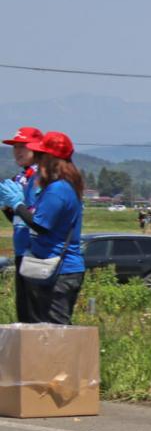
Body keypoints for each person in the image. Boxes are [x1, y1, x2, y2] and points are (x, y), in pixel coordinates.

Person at [0, 132, 85, 324]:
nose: (38, 161)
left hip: (59, 269)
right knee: (38, 328)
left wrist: (17, 204)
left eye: (41, 155)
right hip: (47, 265)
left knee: (55, 331)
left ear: (50, 158)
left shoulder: (58, 189)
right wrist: (12, 207)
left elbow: (40, 225)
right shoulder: (54, 186)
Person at [2, 126, 43, 322]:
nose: (17, 151)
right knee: (24, 312)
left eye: (23, 146)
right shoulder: (20, 177)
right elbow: (19, 220)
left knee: (35, 314)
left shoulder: (40, 177)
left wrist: (19, 203)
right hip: (21, 250)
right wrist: (7, 208)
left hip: (36, 252)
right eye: (15, 147)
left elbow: (39, 221)